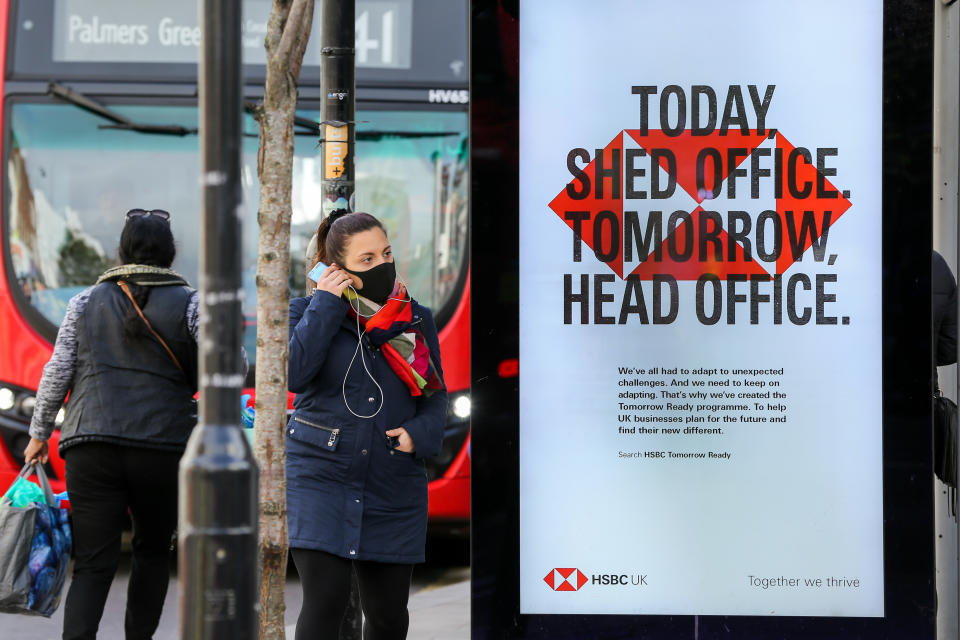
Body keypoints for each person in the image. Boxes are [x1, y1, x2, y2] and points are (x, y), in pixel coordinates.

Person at [23, 210, 201, 640]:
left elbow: (57, 372)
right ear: (170, 254)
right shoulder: (194, 304)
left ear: (121, 250)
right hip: (161, 447)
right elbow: (234, 365)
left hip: (90, 446)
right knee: (153, 551)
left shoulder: (84, 302)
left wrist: (39, 433)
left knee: (92, 563)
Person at [288, 210, 448, 640]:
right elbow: (295, 374)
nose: (382, 265)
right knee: (326, 604)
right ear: (338, 269)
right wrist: (325, 301)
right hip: (319, 478)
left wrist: (420, 435)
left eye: (387, 253)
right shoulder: (306, 311)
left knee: (389, 617)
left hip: (391, 484)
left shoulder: (415, 319)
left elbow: (435, 398)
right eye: (367, 259)